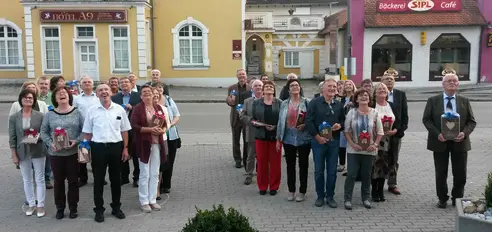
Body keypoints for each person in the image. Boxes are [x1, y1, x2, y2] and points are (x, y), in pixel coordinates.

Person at [422, 68, 476, 208]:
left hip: (460, 143)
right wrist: (437, 134)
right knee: (441, 173)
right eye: (448, 81)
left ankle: (457, 198)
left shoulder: (464, 101)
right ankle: (442, 198)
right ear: (443, 84)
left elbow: (471, 121)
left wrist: (464, 133)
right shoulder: (433, 101)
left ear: (458, 84)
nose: (452, 83)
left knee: (460, 174)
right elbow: (427, 120)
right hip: (440, 142)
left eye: (454, 81)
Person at [82, 84, 131, 222]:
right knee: (98, 180)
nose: (104, 92)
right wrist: (87, 151)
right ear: (96, 94)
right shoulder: (92, 111)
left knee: (116, 180)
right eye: (100, 90)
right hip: (98, 148)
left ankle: (116, 207)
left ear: (111, 93)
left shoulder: (119, 109)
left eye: (106, 90)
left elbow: (125, 130)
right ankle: (99, 210)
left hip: (116, 147)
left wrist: (126, 148)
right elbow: (87, 133)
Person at [40, 86, 84, 219]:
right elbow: (43, 132)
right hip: (56, 155)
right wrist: (50, 143)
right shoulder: (49, 114)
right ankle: (60, 208)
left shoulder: (77, 113)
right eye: (58, 93)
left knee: (73, 182)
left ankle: (73, 208)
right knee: (58, 182)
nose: (62, 95)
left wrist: (76, 141)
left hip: (72, 154)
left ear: (69, 96)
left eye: (64, 93)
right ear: (55, 98)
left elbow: (85, 130)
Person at [305, 78, 345, 208]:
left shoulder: (339, 105)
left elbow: (344, 121)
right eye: (330, 86)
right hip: (318, 142)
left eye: (334, 86)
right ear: (323, 89)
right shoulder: (314, 103)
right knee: (319, 171)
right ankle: (320, 196)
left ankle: (330, 196)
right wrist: (317, 137)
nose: (332, 88)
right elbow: (309, 121)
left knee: (332, 171)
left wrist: (340, 125)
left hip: (334, 142)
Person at [343, 89, 384, 210]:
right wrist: (352, 144)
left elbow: (380, 132)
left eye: (366, 95)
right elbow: (346, 131)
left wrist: (375, 144)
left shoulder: (375, 113)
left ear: (370, 99)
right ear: (356, 99)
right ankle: (347, 199)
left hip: (369, 150)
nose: (364, 97)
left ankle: (365, 198)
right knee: (351, 174)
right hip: (353, 150)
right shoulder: (351, 112)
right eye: (360, 96)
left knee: (366, 175)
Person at [8, 89, 46, 217]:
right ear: (21, 100)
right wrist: (13, 154)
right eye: (25, 98)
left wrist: (36, 138)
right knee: (27, 179)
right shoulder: (14, 117)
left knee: (39, 178)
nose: (28, 100)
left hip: (38, 149)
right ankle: (31, 204)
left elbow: (44, 132)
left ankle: (40, 206)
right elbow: (12, 137)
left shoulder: (40, 115)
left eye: (30, 98)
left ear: (34, 100)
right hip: (22, 151)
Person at [130, 85, 168, 213]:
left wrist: (161, 130)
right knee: (144, 173)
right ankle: (144, 201)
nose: (147, 95)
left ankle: (152, 200)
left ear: (153, 95)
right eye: (144, 93)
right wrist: (150, 130)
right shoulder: (137, 108)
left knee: (155, 172)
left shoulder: (158, 108)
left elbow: (165, 125)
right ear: (141, 96)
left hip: (157, 143)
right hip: (144, 144)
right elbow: (134, 125)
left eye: (149, 92)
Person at [276, 79, 311, 202]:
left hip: (304, 139)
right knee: (290, 166)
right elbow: (280, 122)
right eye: (292, 85)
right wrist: (278, 139)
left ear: (300, 88)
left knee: (303, 165)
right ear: (288, 89)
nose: (295, 87)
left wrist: (305, 125)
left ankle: (302, 191)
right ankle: (291, 191)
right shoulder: (284, 103)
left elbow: (311, 119)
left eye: (297, 85)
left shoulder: (307, 102)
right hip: (288, 138)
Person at [250, 80, 282, 195]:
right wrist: (259, 124)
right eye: (266, 86)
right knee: (262, 163)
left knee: (275, 164)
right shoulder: (257, 103)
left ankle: (274, 186)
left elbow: (283, 121)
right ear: (263, 90)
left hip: (275, 137)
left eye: (271, 86)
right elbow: (252, 119)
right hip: (261, 136)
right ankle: (262, 186)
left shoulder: (279, 103)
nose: (269, 88)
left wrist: (275, 127)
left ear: (274, 90)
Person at [370, 83, 400, 202]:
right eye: (379, 89)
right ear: (375, 92)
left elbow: (398, 121)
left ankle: (381, 190)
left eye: (384, 89)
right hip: (375, 140)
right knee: (375, 165)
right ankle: (374, 191)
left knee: (385, 166)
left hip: (389, 140)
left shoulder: (391, 105)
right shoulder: (371, 105)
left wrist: (395, 130)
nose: (382, 90)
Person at [381, 68, 408, 195]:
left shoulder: (400, 95)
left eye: (392, 79)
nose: (390, 81)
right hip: (380, 136)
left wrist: (398, 130)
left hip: (396, 134)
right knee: (381, 158)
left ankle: (392, 183)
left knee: (394, 158)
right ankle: (378, 182)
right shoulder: (378, 95)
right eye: (387, 79)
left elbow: (404, 116)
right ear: (381, 82)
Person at [111, 76, 141, 187]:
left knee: (136, 154)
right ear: (119, 85)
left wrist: (132, 107)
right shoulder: (114, 98)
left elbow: (142, 109)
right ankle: (124, 177)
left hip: (135, 128)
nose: (124, 84)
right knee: (122, 152)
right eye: (122, 82)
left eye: (126, 82)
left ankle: (137, 177)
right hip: (120, 129)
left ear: (131, 84)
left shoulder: (137, 96)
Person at [73, 76, 101, 187]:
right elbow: (74, 113)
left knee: (97, 157)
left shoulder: (98, 97)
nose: (87, 83)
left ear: (93, 84)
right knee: (83, 155)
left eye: (89, 82)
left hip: (97, 130)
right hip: (83, 131)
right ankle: (83, 178)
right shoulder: (77, 99)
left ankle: (98, 178)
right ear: (81, 85)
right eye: (84, 82)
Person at [239, 79, 263, 185]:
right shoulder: (247, 101)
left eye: (260, 85)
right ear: (252, 88)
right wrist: (251, 121)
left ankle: (261, 173)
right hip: (252, 131)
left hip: (264, 131)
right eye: (256, 86)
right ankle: (249, 174)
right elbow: (242, 115)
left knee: (262, 155)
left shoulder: (267, 99)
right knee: (250, 155)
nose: (258, 87)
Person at [226, 69, 251, 168]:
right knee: (235, 140)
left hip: (246, 117)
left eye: (243, 74)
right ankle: (237, 159)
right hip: (236, 118)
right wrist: (228, 101)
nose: (242, 76)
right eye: (240, 74)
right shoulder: (232, 88)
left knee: (246, 140)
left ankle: (246, 159)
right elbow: (229, 101)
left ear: (246, 76)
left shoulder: (250, 88)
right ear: (237, 76)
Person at [160, 90, 181, 194]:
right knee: (159, 162)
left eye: (160, 88)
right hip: (158, 137)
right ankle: (158, 186)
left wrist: (170, 125)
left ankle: (166, 184)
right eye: (155, 89)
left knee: (169, 161)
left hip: (171, 135)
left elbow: (177, 115)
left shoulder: (168, 100)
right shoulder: (151, 103)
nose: (158, 91)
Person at [339, 80, 357, 174]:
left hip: (353, 125)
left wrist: (353, 105)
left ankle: (351, 168)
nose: (348, 86)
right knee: (342, 145)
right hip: (343, 125)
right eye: (346, 85)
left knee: (351, 146)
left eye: (350, 84)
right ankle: (342, 164)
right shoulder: (342, 98)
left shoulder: (355, 97)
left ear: (353, 86)